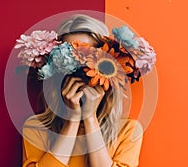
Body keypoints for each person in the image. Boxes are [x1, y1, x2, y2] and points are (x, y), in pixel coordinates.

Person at [20, 14, 146, 167]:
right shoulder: (36, 127)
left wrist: (90, 118)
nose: (80, 72)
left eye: (90, 59)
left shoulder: (128, 130)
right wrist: (72, 120)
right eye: (70, 60)